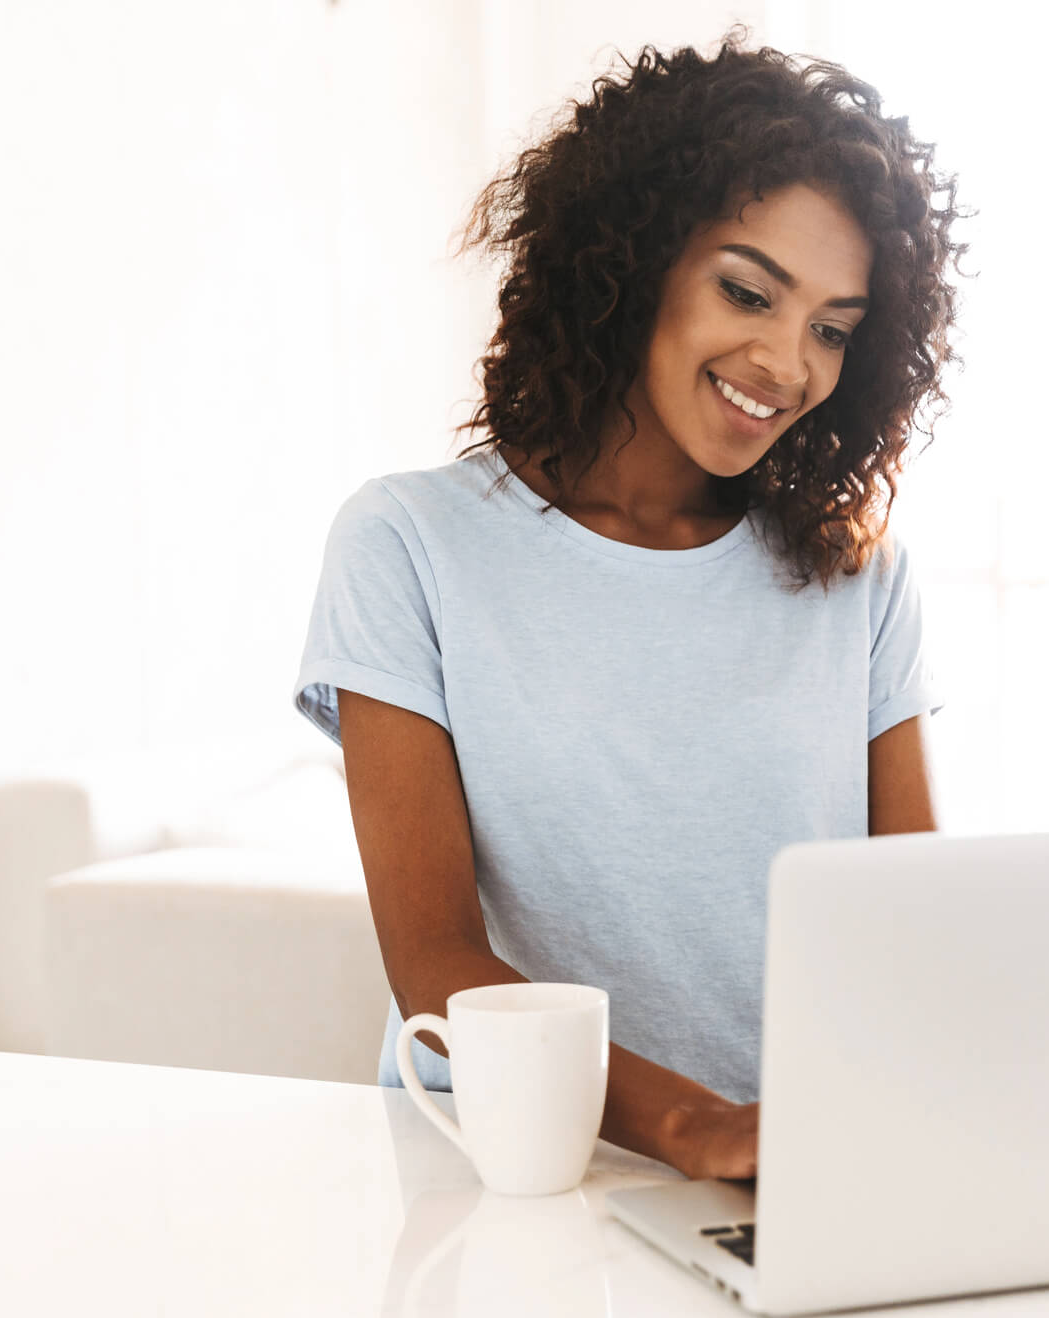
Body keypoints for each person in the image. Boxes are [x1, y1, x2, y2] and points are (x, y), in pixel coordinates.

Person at [293, 27, 970, 1183]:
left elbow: (914, 933)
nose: (784, 362)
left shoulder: (855, 574)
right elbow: (436, 961)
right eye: (746, 291)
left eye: (831, 330)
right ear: (629, 258)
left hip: (792, 1170)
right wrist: (693, 1127)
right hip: (507, 1163)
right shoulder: (408, 545)